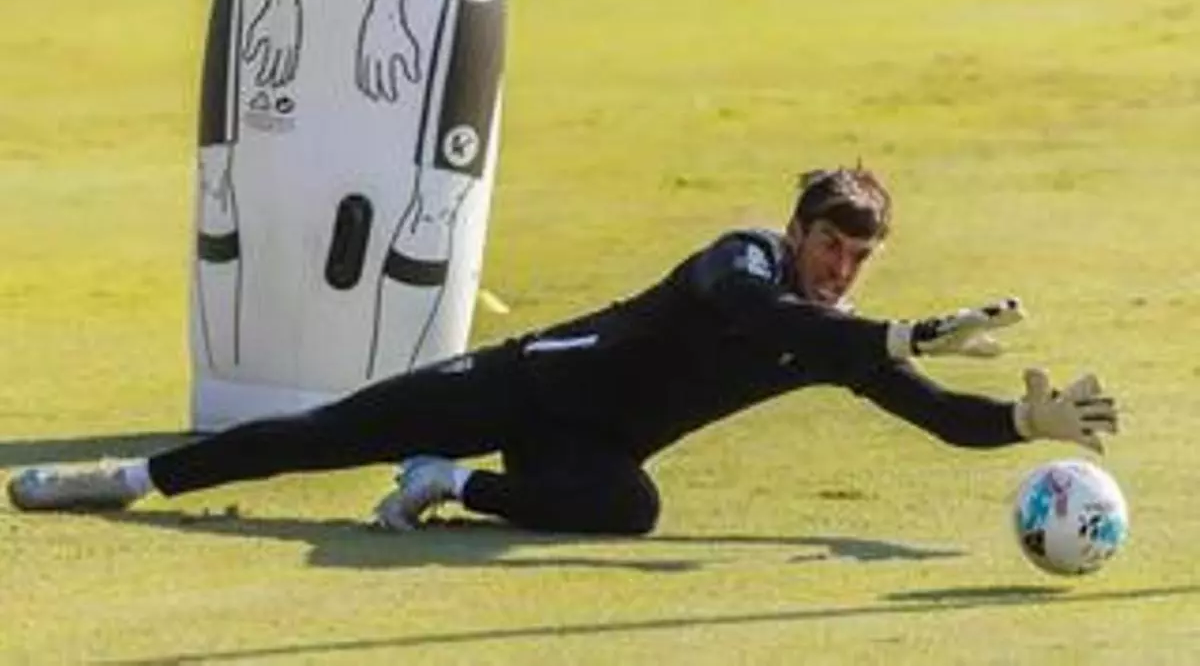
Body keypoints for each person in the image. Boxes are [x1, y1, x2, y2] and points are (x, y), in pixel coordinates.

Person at [7, 166, 1119, 535]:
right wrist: (900, 331)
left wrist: (1024, 423)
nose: (838, 268)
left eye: (858, 257)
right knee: (320, 436)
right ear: (797, 231)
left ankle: (451, 485)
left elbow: (934, 413)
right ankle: (125, 479)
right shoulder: (742, 259)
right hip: (523, 386)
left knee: (630, 509)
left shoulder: (840, 336)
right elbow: (762, 316)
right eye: (829, 245)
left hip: (583, 450)